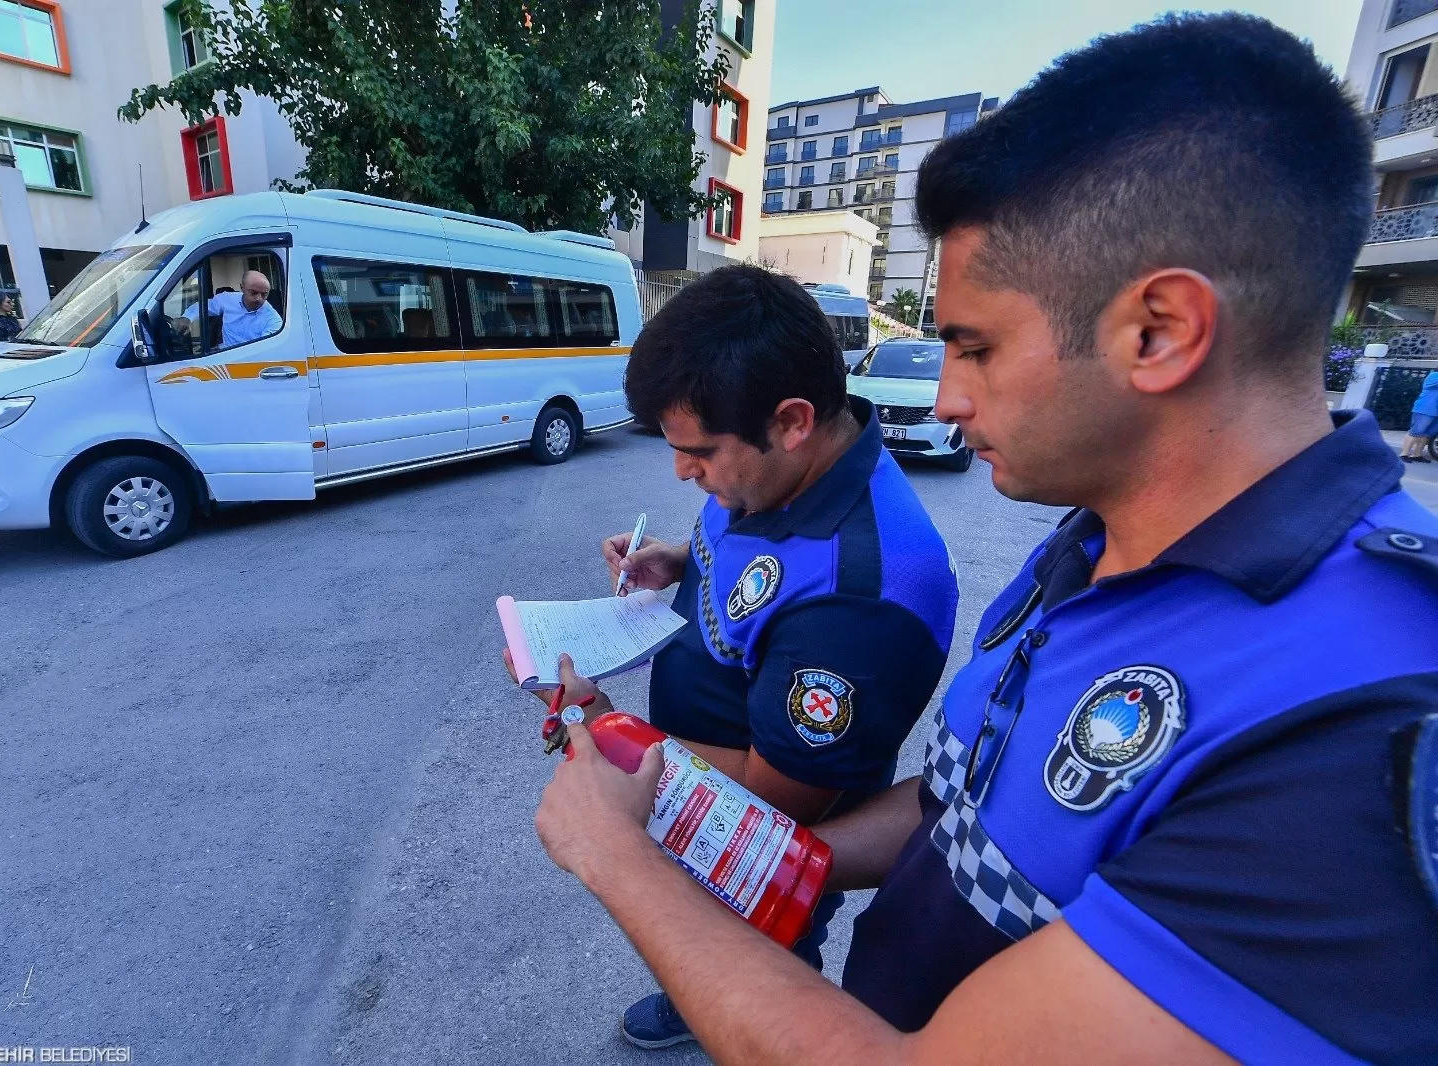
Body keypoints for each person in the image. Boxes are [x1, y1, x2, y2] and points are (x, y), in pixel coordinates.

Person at [532, 14, 1438, 1064]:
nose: (945, 398)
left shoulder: (1361, 715)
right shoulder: (1094, 543)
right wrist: (801, 862)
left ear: (1159, 331)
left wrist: (618, 853)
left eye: (974, 346)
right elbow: (966, 808)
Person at [509, 264, 959, 1049]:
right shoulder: (784, 470)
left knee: (758, 940)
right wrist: (680, 559)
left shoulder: (858, 601)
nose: (684, 472)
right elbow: (756, 558)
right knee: (701, 907)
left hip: (750, 825)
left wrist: (606, 728)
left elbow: (773, 803)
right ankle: (697, 992)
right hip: (700, 766)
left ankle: (738, 1008)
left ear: (791, 421)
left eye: (700, 453)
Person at [178, 270, 282, 350]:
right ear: (242, 287)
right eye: (253, 293)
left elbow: (263, 350)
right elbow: (203, 307)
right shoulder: (227, 299)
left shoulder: (273, 320)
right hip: (224, 354)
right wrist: (187, 318)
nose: (259, 298)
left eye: (264, 294)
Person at [1400, 367, 1438, 463]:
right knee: (1416, 431)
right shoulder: (1433, 376)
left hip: (1435, 411)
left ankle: (1416, 455)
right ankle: (1404, 454)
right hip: (1425, 409)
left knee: (1428, 434)